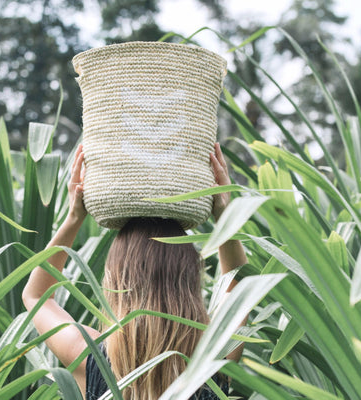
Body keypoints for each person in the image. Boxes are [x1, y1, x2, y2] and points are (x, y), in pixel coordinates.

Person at [22, 142, 248, 399]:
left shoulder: (89, 357)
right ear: (191, 279)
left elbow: (36, 296)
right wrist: (223, 213)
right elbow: (241, 288)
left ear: (116, 281)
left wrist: (74, 218)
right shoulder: (215, 354)